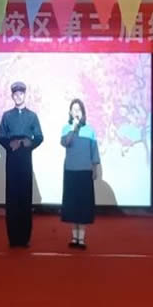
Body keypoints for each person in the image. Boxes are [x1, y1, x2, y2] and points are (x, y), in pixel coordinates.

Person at [0, 81, 43, 248]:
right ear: (12, 96)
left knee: (25, 197)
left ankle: (24, 238)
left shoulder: (32, 116)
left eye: (21, 94)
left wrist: (27, 143)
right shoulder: (7, 116)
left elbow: (39, 137)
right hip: (12, 158)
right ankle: (13, 238)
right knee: (12, 197)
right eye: (15, 94)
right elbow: (1, 136)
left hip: (25, 158)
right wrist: (11, 144)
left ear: (25, 95)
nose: (18, 97)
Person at [60, 99, 99, 249]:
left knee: (83, 205)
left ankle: (81, 239)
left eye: (79, 109)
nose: (76, 112)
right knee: (72, 204)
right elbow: (66, 143)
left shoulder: (90, 130)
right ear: (70, 112)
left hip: (85, 171)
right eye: (74, 109)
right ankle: (74, 237)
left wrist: (95, 168)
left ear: (83, 112)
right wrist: (73, 128)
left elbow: (94, 151)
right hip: (70, 170)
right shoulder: (66, 128)